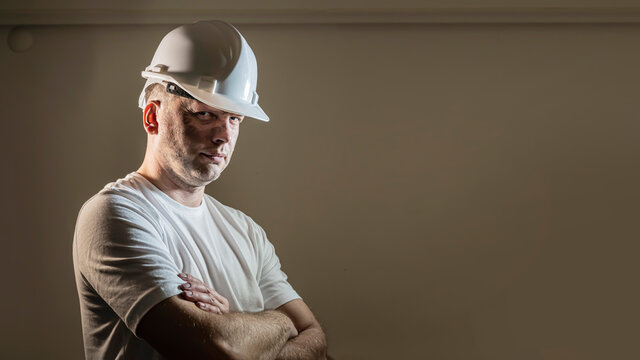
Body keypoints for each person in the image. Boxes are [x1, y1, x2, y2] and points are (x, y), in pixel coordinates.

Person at [72, 20, 327, 359]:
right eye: (205, 114)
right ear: (153, 117)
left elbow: (316, 341)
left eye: (235, 118)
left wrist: (238, 328)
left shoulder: (245, 231)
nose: (224, 135)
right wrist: (280, 324)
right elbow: (217, 349)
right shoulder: (114, 215)